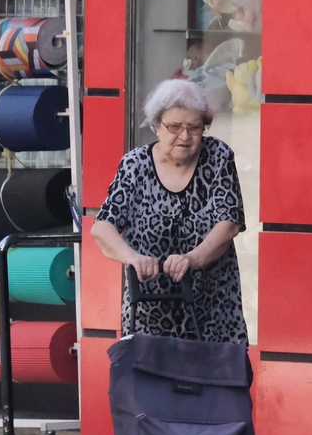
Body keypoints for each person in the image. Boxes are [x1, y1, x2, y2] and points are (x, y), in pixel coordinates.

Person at [91, 79, 247, 342]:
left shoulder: (219, 156)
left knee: (217, 381)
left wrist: (192, 259)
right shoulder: (135, 165)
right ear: (156, 125)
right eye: (174, 126)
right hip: (149, 313)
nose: (185, 136)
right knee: (151, 382)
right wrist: (132, 257)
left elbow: (229, 221)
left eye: (194, 128)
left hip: (213, 311)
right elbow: (102, 227)